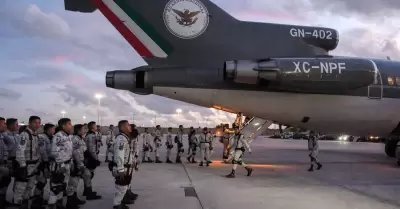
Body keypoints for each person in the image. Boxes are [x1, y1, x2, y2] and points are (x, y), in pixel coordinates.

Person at [14, 116, 42, 209]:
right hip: (26, 164)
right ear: (30, 123)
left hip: (34, 165)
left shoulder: (35, 135)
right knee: (21, 188)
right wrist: (22, 166)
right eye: (35, 122)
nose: (37, 124)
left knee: (30, 187)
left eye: (39, 122)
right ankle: (18, 204)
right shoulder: (24, 135)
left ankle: (25, 204)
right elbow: (19, 150)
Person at [70, 124, 101, 205]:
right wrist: (80, 165)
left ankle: (87, 192)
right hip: (76, 163)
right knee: (74, 182)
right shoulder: (75, 139)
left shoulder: (80, 138)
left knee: (87, 175)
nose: (85, 130)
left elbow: (85, 150)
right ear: (78, 131)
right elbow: (76, 153)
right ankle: (72, 200)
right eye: (83, 129)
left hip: (82, 162)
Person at [48, 118, 75, 209]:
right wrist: (61, 164)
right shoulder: (58, 136)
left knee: (62, 187)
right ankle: (51, 206)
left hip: (66, 165)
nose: (71, 125)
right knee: (56, 189)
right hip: (59, 166)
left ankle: (59, 206)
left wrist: (70, 163)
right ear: (63, 126)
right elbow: (55, 152)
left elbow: (68, 152)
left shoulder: (67, 136)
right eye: (69, 124)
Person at [112, 120, 135, 209]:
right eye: (128, 125)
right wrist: (120, 169)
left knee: (124, 186)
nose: (130, 127)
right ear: (122, 127)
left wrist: (131, 162)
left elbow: (127, 153)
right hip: (122, 167)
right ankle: (117, 205)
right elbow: (120, 155)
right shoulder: (121, 139)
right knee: (121, 187)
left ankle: (119, 202)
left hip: (126, 166)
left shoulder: (125, 138)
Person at [35, 123, 56, 208]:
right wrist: (46, 162)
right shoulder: (42, 138)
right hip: (43, 162)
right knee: (42, 181)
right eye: (52, 129)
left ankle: (44, 199)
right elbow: (42, 151)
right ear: (48, 129)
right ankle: (36, 201)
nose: (54, 130)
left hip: (50, 162)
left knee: (49, 181)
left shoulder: (52, 137)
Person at [0, 117, 11, 206]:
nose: (5, 125)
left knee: (5, 181)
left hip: (2, 163)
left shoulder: (2, 136)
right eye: (4, 123)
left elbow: (6, 147)